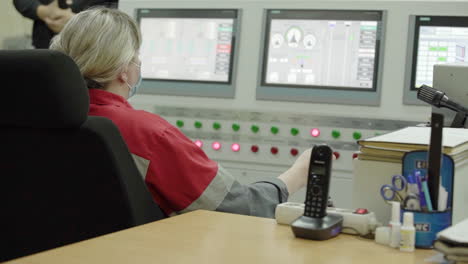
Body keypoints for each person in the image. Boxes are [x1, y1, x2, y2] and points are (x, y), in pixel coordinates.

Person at [50, 8, 312, 218]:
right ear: (122, 68)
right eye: (136, 56)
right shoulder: (147, 135)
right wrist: (299, 173)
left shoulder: (33, 121)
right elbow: (240, 209)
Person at [13, 0, 118, 48]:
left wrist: (78, 22)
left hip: (93, 49)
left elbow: (122, 11)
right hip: (45, 45)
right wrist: (44, 11)